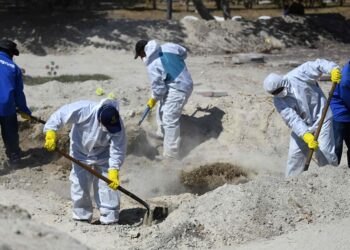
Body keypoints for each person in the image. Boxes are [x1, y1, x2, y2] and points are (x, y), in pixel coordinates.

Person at [43, 98, 127, 224]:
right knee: (79, 183)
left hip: (104, 154)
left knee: (107, 186)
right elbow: (61, 114)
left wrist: (114, 169)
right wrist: (50, 132)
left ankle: (110, 218)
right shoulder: (84, 110)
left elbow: (118, 147)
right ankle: (81, 215)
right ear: (99, 120)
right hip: (80, 152)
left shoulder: (116, 123)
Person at [263, 59, 341, 177]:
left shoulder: (299, 74)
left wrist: (333, 69)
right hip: (304, 126)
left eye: (278, 90)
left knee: (324, 151)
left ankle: (331, 178)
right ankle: (291, 183)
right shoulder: (278, 101)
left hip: (322, 117)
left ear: (282, 82)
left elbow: (318, 65)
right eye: (274, 93)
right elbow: (292, 119)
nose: (278, 94)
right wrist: (306, 135)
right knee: (295, 155)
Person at [134, 39, 193, 160]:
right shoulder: (169, 46)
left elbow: (159, 90)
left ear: (142, 52)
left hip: (177, 89)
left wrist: (153, 99)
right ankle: (162, 135)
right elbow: (184, 52)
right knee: (162, 107)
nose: (141, 59)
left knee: (169, 119)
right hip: (186, 81)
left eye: (140, 56)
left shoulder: (152, 63)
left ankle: (171, 156)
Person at [0, 39, 31, 165]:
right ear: (10, 53)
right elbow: (19, 94)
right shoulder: (14, 68)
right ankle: (14, 157)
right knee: (10, 132)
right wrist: (25, 110)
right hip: (7, 107)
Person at [330, 61, 350, 168]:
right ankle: (333, 168)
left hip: (347, 109)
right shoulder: (346, 79)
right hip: (340, 112)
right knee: (337, 144)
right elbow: (347, 99)